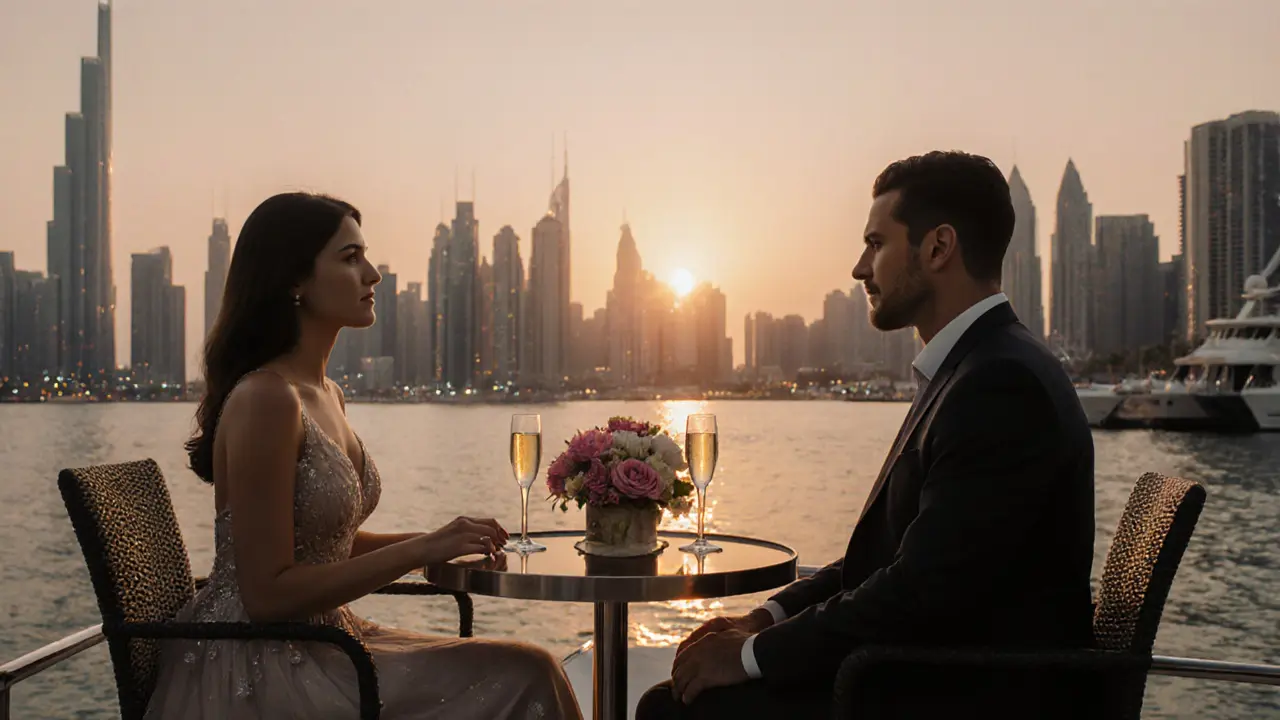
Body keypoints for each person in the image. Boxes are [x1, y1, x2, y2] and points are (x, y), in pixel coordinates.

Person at [637, 152, 1096, 719]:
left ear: (938, 247)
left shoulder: (998, 384)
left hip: (963, 695)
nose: (860, 267)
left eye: (876, 244)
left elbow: (920, 592)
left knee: (674, 708)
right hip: (932, 671)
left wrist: (752, 656)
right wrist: (765, 618)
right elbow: (891, 562)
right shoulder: (973, 368)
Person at [145, 192, 582, 720]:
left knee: (532, 668)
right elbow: (266, 595)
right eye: (350, 258)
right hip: (264, 661)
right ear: (294, 280)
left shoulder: (327, 392)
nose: (373, 274)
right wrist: (420, 550)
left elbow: (324, 546)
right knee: (529, 672)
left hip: (331, 639)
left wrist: (434, 543)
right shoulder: (266, 398)